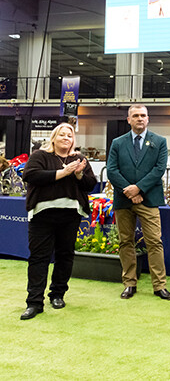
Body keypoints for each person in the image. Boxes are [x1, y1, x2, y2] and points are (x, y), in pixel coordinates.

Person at [19, 123, 97, 320]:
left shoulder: (79, 159)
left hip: (70, 215)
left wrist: (78, 173)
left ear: (73, 140)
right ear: (53, 138)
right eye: (61, 135)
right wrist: (63, 173)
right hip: (42, 215)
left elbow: (90, 185)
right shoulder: (40, 155)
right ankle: (34, 302)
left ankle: (57, 294)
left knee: (65, 255)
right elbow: (30, 175)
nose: (65, 138)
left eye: (69, 136)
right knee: (39, 257)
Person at [106, 105, 170, 301]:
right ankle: (129, 283)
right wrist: (129, 191)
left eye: (143, 115)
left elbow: (159, 169)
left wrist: (139, 189)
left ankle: (159, 286)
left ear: (148, 119)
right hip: (123, 199)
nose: (140, 119)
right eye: (135, 116)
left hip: (149, 199)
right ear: (128, 120)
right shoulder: (117, 143)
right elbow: (112, 170)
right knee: (125, 242)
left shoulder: (160, 142)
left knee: (154, 242)